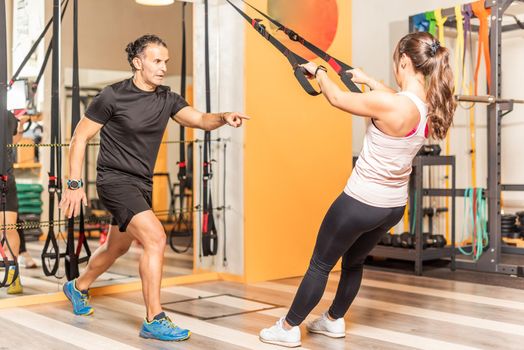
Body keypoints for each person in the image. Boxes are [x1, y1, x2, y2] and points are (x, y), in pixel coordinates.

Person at [259, 31, 456, 347]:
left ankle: (287, 327)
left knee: (320, 264)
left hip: (360, 203)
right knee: (353, 262)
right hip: (391, 207)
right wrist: (367, 79)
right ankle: (333, 321)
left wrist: (319, 71)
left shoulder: (391, 104)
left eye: (396, 62)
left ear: (404, 61)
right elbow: (394, 97)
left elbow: (337, 98)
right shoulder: (428, 105)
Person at [59, 34, 249, 342]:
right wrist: (74, 183)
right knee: (156, 238)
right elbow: (79, 137)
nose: (162, 68)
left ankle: (77, 286)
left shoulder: (167, 98)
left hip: (141, 183)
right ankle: (154, 317)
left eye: (165, 62)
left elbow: (199, 119)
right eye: (156, 61)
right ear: (138, 62)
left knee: (116, 247)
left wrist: (223, 117)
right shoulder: (112, 96)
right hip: (114, 180)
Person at [1, 111, 32, 294]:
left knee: (9, 227)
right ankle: (13, 276)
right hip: (6, 177)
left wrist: (20, 127)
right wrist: (19, 128)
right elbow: (12, 141)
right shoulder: (7, 115)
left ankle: (13, 276)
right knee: (9, 227)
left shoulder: (7, 116)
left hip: (5, 178)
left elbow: (10, 142)